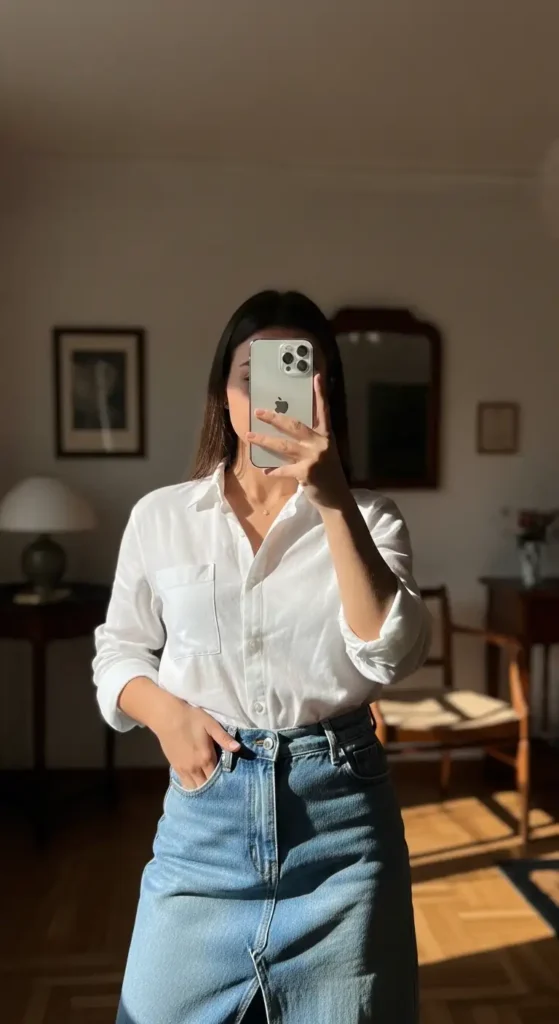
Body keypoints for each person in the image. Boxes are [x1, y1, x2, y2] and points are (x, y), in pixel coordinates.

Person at [93, 290, 431, 1024]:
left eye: (297, 374)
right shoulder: (161, 517)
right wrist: (165, 715)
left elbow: (390, 655)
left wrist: (332, 496)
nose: (272, 395)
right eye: (252, 374)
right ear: (224, 390)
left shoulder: (371, 517)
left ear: (325, 394)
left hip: (341, 825)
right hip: (203, 825)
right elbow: (117, 649)